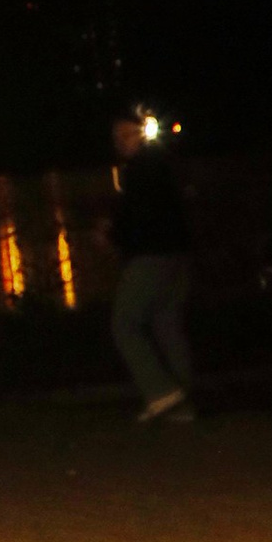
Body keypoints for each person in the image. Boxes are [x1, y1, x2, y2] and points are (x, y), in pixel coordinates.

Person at [108, 112, 197, 423]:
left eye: (127, 136)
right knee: (166, 323)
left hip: (152, 255)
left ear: (141, 134)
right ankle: (182, 402)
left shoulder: (141, 169)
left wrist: (111, 234)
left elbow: (135, 215)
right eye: (118, 138)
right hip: (177, 252)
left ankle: (162, 392)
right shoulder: (163, 164)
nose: (122, 144)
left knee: (125, 324)